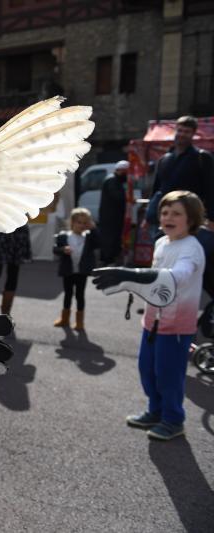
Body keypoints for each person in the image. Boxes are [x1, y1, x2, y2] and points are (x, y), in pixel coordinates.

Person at [121, 191, 205, 440]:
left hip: (177, 326)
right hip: (152, 322)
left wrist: (135, 276)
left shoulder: (191, 248)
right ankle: (155, 411)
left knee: (169, 374)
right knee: (147, 369)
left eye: (177, 213)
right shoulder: (160, 243)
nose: (168, 217)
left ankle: (173, 420)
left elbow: (180, 275)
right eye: (165, 212)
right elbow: (154, 279)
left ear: (191, 219)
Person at [149, 116, 214, 229]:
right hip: (164, 220)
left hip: (190, 219)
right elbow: (156, 189)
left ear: (193, 134)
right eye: (180, 130)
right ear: (175, 131)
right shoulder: (164, 159)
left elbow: (211, 190)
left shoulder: (202, 157)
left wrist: (212, 219)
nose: (182, 134)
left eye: (187, 132)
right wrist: (150, 212)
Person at [52, 208, 99, 331]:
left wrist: (93, 228)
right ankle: (64, 319)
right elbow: (55, 249)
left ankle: (79, 322)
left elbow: (99, 243)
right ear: (72, 222)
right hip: (68, 271)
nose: (82, 225)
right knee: (68, 294)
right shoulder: (64, 236)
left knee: (80, 295)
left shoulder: (89, 237)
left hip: (81, 272)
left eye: (85, 223)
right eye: (79, 222)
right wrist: (63, 250)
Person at [98, 160, 129, 265]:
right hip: (110, 217)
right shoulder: (112, 180)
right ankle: (108, 259)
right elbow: (117, 197)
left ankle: (109, 258)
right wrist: (127, 198)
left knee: (112, 238)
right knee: (109, 238)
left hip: (112, 216)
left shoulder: (114, 180)